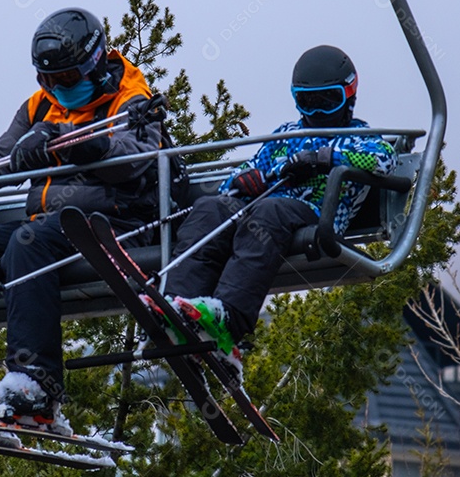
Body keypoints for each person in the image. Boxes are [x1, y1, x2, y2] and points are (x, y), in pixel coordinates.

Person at [0, 7, 162, 431]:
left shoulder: (131, 98)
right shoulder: (39, 107)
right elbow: (1, 157)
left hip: (115, 218)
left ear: (93, 64)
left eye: (66, 79)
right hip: (49, 223)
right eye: (48, 80)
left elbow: (131, 158)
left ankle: (37, 381)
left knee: (29, 242)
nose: (57, 88)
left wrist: (68, 144)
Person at [158, 45, 397, 376]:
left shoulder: (356, 136)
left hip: (314, 215)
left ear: (348, 95)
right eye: (307, 101)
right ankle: (175, 308)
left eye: (328, 100)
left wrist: (323, 159)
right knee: (210, 208)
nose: (317, 110)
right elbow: (234, 181)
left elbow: (383, 159)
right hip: (264, 212)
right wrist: (249, 180)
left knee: (269, 212)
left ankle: (228, 318)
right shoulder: (287, 136)